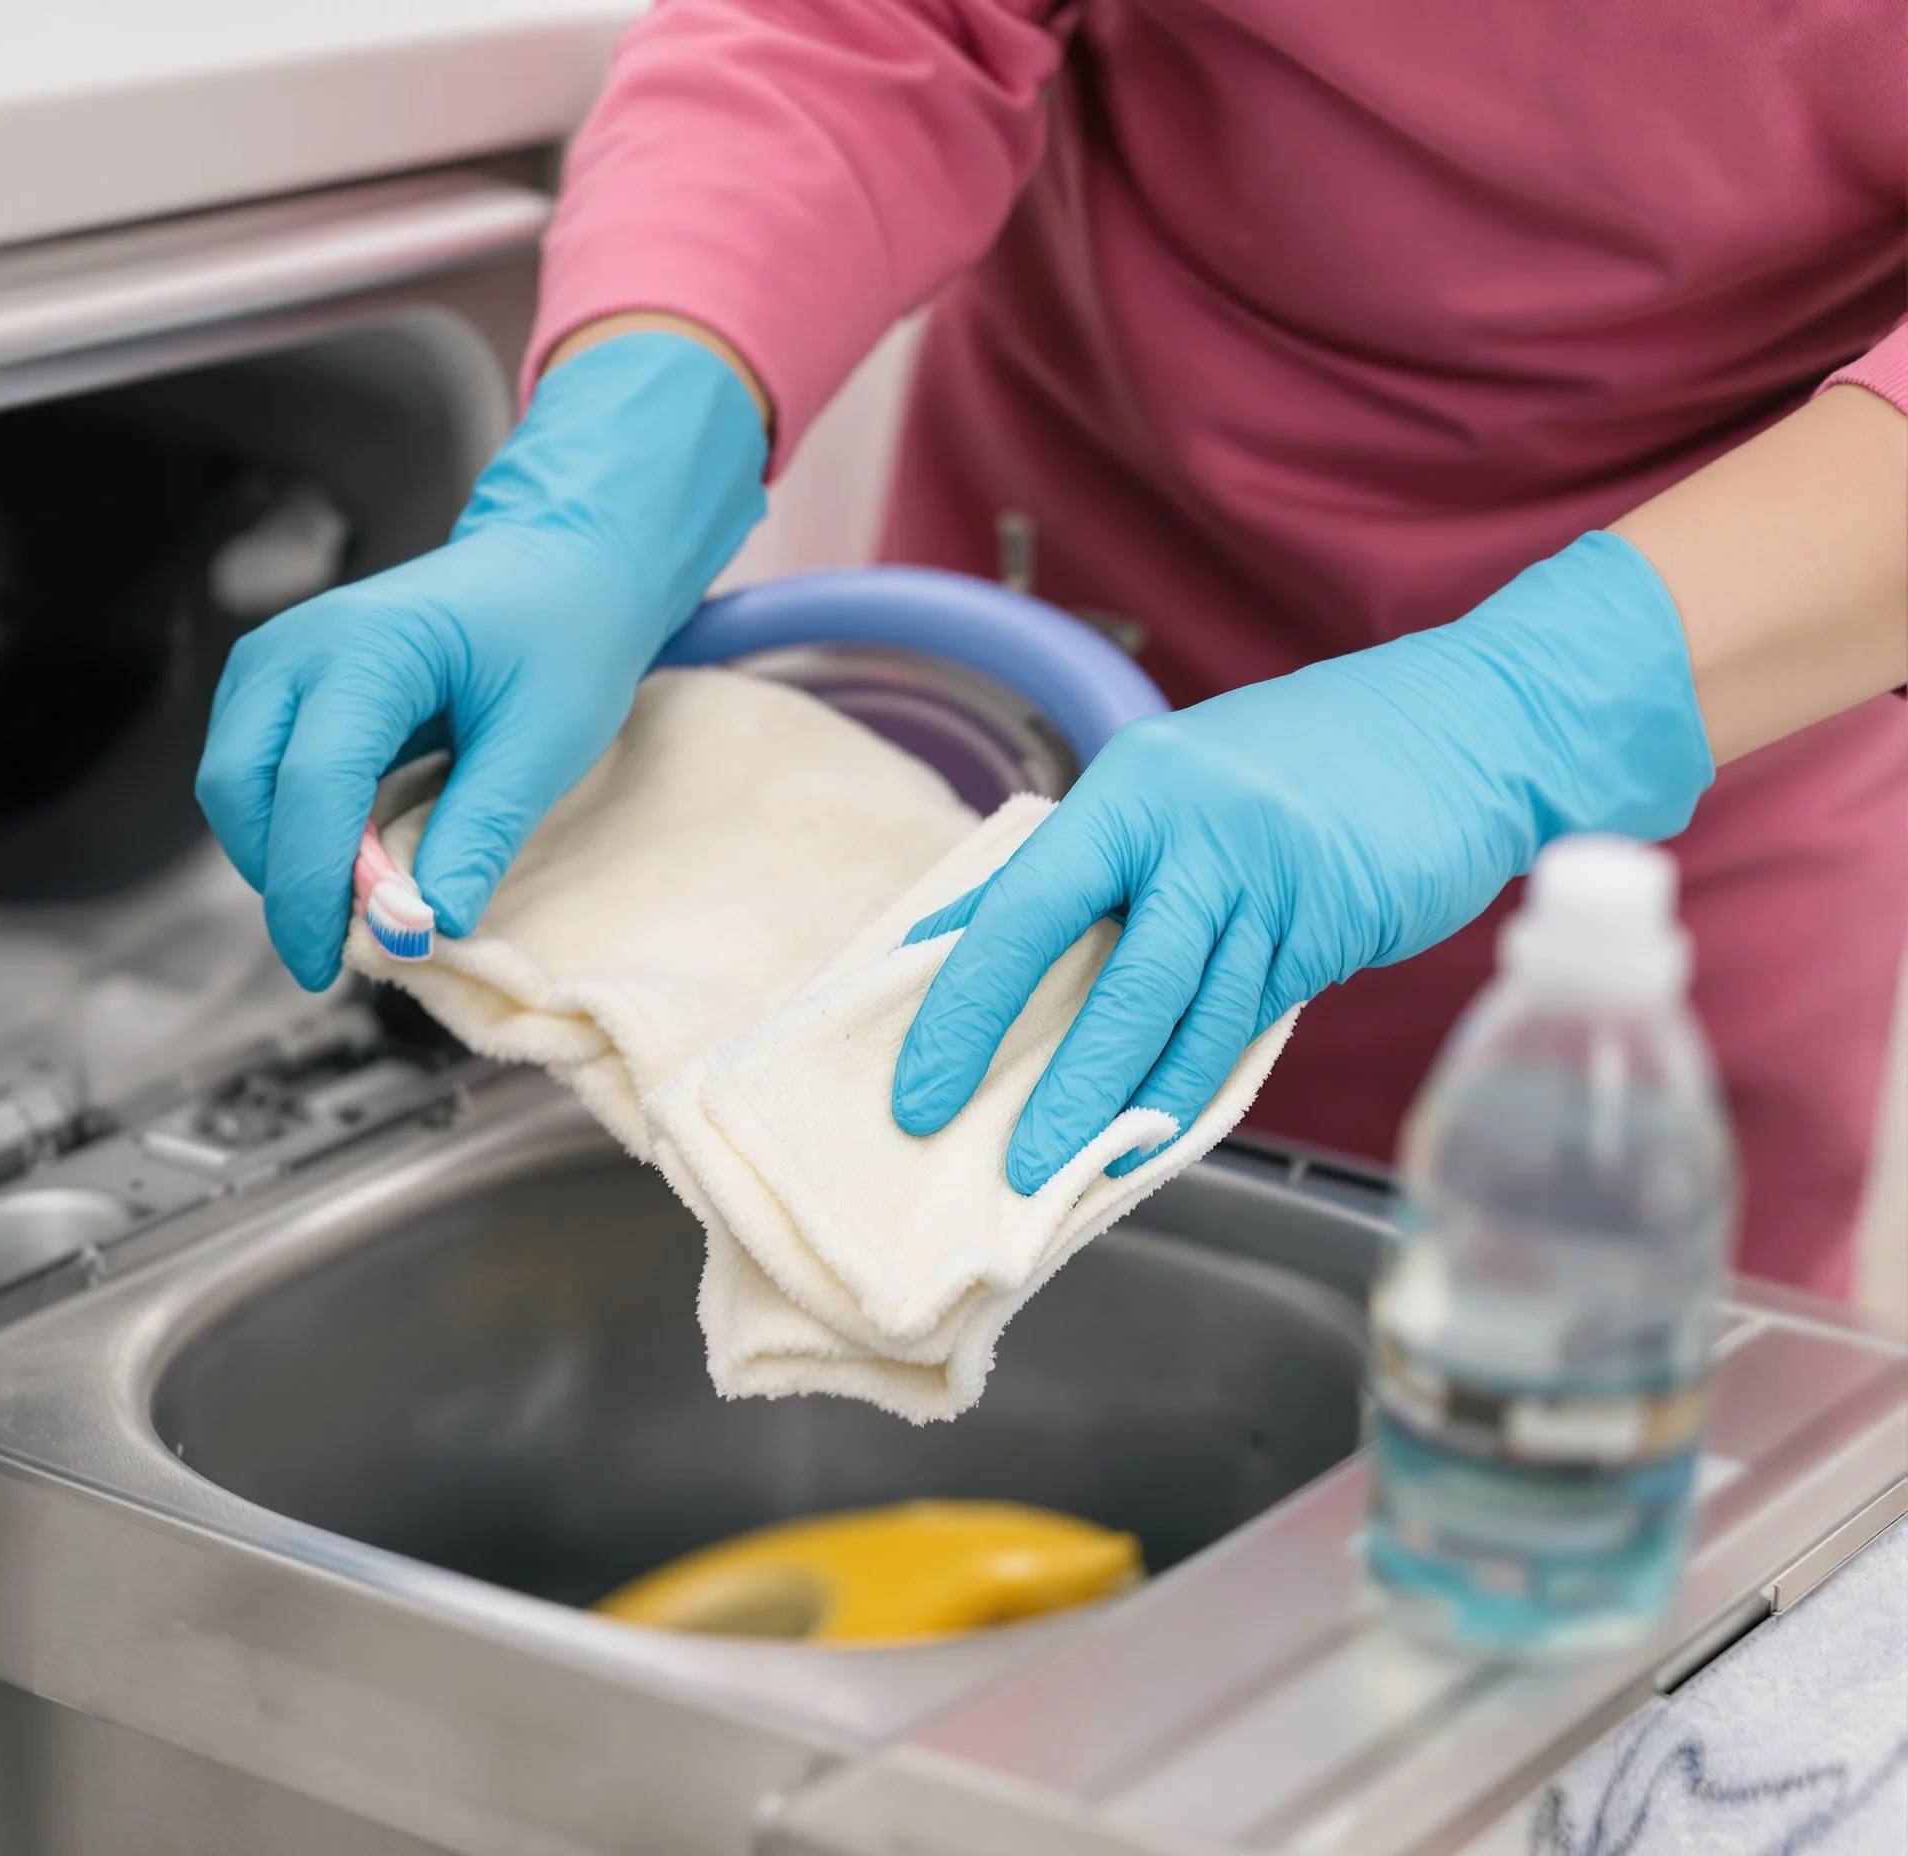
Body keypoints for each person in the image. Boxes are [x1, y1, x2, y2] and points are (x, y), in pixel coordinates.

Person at [198, 2, 1907, 1297]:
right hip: (1024, 694)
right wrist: (602, 490)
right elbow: (868, 25)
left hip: (1678, 781)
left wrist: (1515, 717)